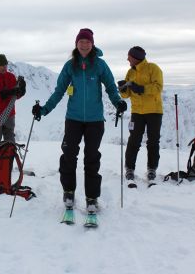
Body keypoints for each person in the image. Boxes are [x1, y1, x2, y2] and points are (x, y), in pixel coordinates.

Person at [32, 28, 127, 212]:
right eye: (81, 41)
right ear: (76, 44)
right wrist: (43, 110)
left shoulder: (100, 65)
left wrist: (118, 103)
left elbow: (110, 87)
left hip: (95, 120)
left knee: (91, 159)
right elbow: (59, 91)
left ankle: (92, 198)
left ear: (92, 44)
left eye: (87, 42)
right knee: (68, 157)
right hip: (73, 119)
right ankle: (68, 192)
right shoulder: (70, 65)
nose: (84, 45)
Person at [117, 46, 163, 187]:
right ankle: (129, 169)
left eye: (129, 57)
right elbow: (126, 95)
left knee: (153, 141)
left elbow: (158, 87)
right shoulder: (130, 72)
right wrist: (123, 89)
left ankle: (151, 170)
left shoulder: (153, 68)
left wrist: (142, 88)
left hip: (154, 111)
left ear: (135, 57)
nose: (127, 59)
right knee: (134, 141)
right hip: (137, 112)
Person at [0, 54, 26, 151]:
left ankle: (8, 165)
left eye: (5, 65)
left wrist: (21, 91)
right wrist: (5, 93)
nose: (4, 67)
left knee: (10, 143)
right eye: (1, 65)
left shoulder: (11, 77)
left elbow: (15, 95)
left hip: (9, 115)